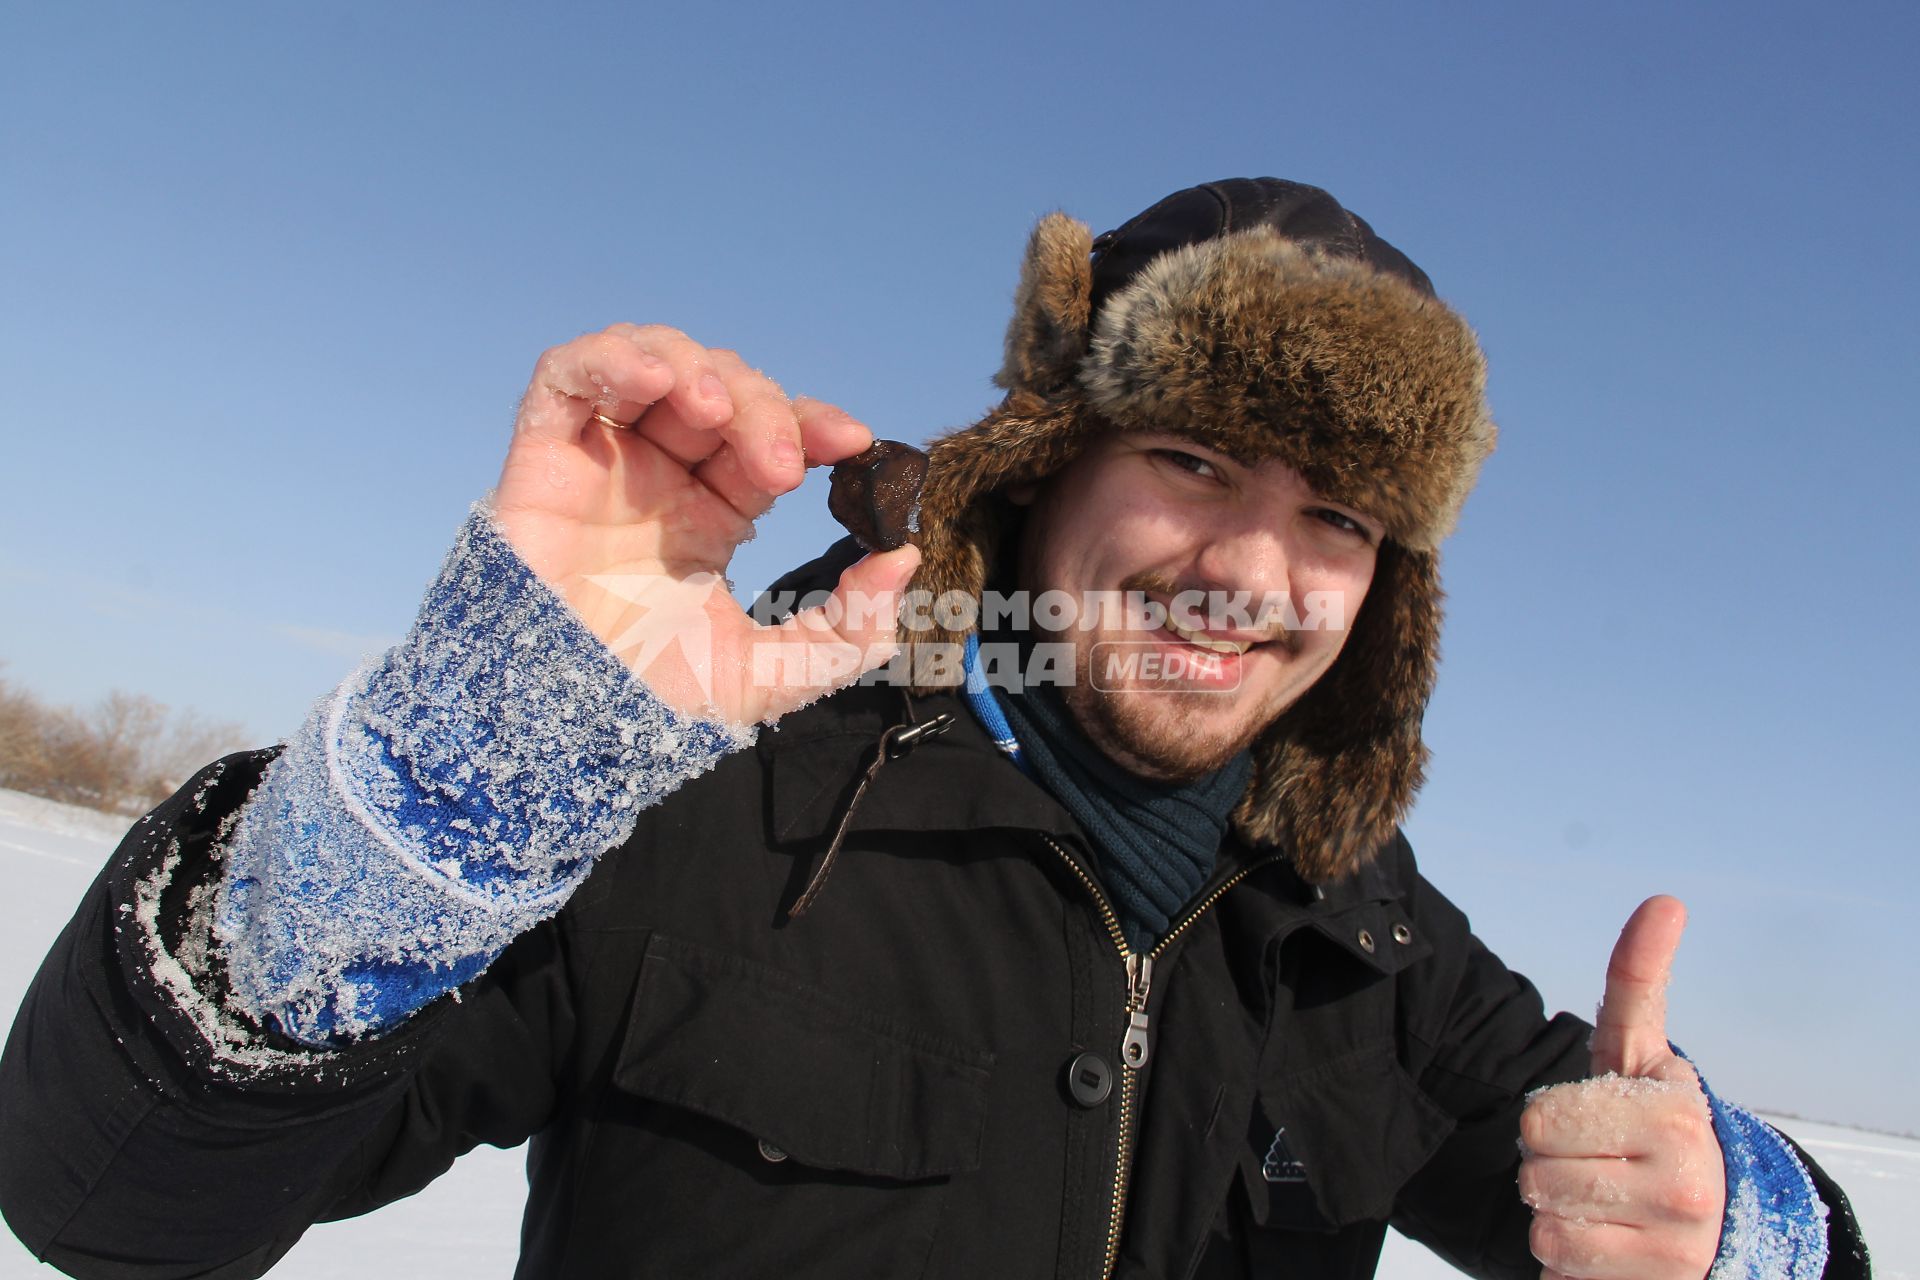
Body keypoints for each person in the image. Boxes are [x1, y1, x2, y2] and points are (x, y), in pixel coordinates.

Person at [0, 179, 1869, 1280]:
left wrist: (1729, 1233)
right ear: (1046, 477)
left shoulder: (1368, 932)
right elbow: (111, 1200)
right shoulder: (707, 802)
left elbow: (1709, 1219)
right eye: (1196, 462)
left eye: (1339, 519)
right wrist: (458, 777)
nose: (1255, 568)